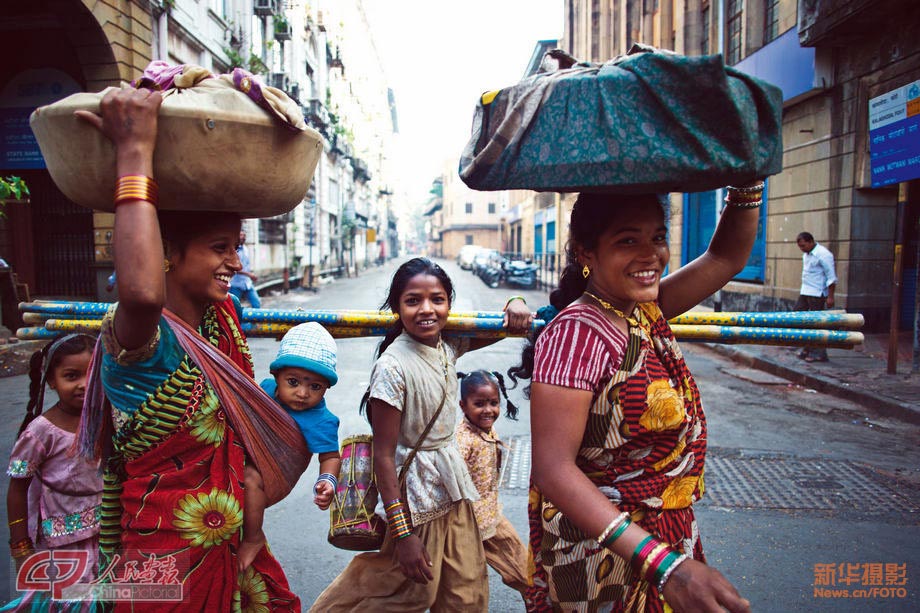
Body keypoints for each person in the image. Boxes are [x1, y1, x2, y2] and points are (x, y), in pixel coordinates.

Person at [74, 87, 307, 610]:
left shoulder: (217, 322)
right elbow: (138, 292)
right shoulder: (141, 340)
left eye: (238, 247)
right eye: (220, 248)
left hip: (230, 541)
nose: (237, 263)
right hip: (165, 550)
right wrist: (134, 151)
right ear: (167, 255)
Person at [509, 185, 764, 612]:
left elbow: (725, 258)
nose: (650, 256)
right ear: (585, 252)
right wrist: (665, 567)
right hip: (605, 558)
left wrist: (747, 183)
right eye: (628, 240)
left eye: (658, 238)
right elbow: (553, 470)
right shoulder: (576, 334)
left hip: (661, 542)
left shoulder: (640, 311)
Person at [310, 257, 532, 612]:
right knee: (409, 591)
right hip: (416, 502)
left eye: (438, 299)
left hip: (454, 490)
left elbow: (500, 327)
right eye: (413, 300)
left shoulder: (447, 345)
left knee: (466, 593)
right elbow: (385, 455)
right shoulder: (393, 366)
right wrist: (403, 535)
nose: (426, 310)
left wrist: (513, 305)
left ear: (448, 303)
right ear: (397, 306)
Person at [4, 333, 101, 611]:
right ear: (51, 380)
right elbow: (17, 487)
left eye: (92, 374)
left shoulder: (105, 419)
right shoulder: (41, 432)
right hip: (63, 544)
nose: (84, 384)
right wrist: (21, 547)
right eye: (71, 376)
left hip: (105, 532)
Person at [239, 321, 342, 571]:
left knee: (250, 478)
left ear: (326, 388)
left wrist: (327, 481)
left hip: (271, 478)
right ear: (277, 376)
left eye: (315, 386)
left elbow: (330, 456)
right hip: (244, 455)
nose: (303, 393)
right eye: (293, 382)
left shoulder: (321, 420)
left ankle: (254, 537)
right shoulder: (265, 390)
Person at [455, 369, 529, 599]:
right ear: (463, 406)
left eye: (493, 403)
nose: (488, 410)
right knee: (468, 588)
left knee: (528, 575)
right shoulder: (463, 440)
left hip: (492, 517)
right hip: (468, 527)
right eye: (479, 404)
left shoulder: (485, 427)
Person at [795, 231, 837, 362]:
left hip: (817, 293)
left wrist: (830, 297)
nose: (802, 249)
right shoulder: (806, 255)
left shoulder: (823, 254)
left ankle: (819, 352)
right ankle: (807, 347)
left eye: (803, 246)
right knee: (799, 318)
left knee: (816, 323)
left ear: (811, 242)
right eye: (800, 247)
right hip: (806, 291)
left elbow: (831, 277)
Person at [230, 229, 261, 308]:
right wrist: (249, 275)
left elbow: (246, 265)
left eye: (244, 235)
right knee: (233, 307)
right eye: (240, 235)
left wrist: (251, 275)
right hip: (236, 284)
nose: (243, 237)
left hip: (247, 283)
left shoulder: (246, 249)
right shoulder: (233, 250)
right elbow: (235, 267)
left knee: (256, 304)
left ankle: (251, 320)